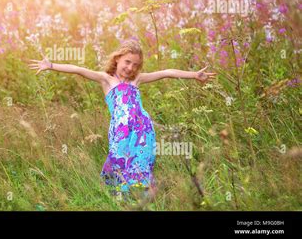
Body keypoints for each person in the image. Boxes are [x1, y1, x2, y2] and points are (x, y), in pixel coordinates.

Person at [28, 40, 216, 200]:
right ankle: (122, 198)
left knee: (141, 163)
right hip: (121, 132)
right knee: (120, 162)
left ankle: (141, 198)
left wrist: (194, 75)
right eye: (127, 62)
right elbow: (78, 70)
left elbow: (167, 72)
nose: (130, 68)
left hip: (143, 131)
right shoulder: (107, 80)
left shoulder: (137, 80)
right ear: (117, 58)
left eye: (135, 65)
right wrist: (51, 66)